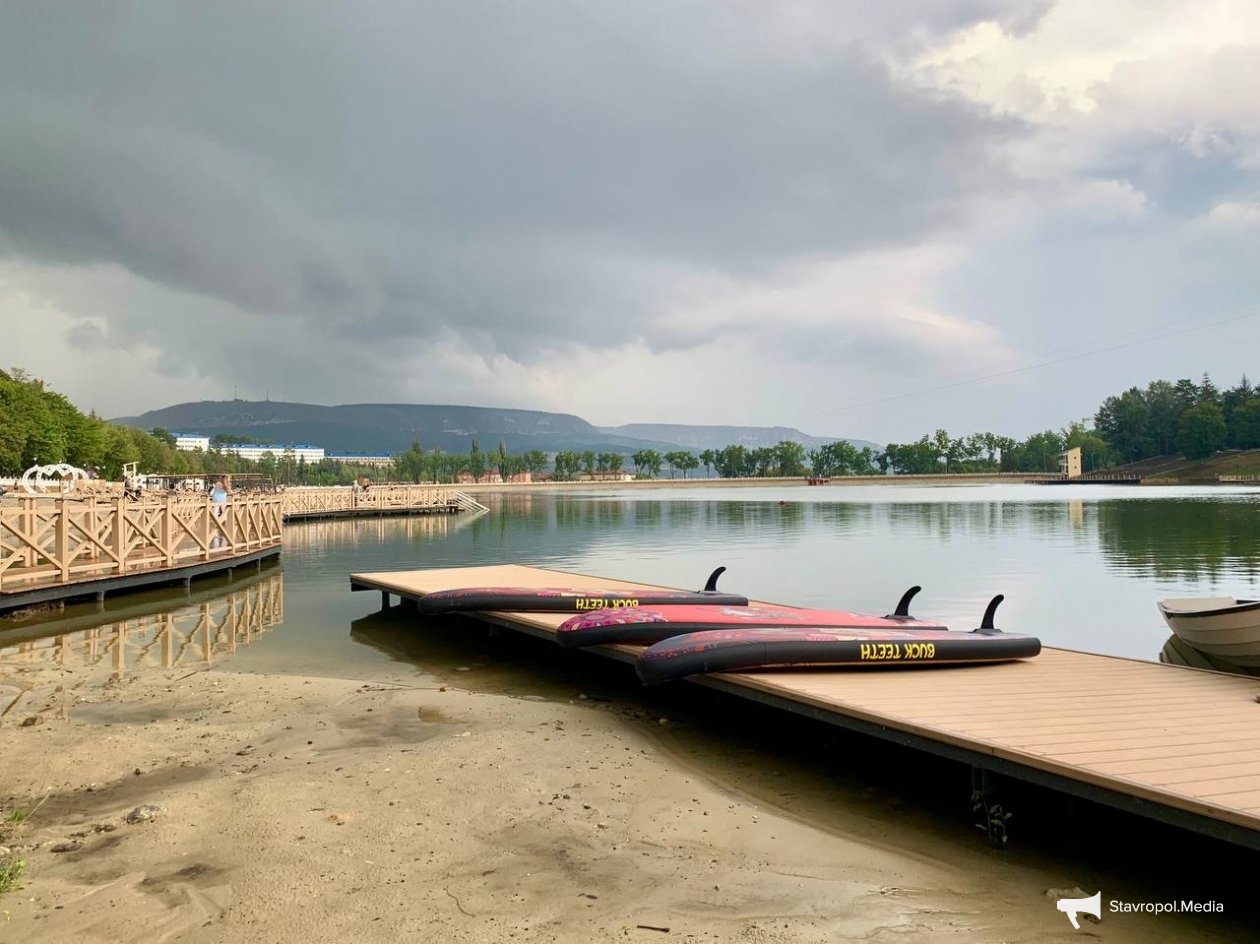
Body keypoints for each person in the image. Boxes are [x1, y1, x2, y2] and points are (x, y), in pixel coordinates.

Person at [209, 479, 230, 548]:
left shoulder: (217, 483)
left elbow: (213, 491)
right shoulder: (225, 484)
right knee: (224, 511)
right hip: (223, 499)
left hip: (216, 498)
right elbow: (228, 490)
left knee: (215, 510)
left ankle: (216, 522)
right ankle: (225, 522)